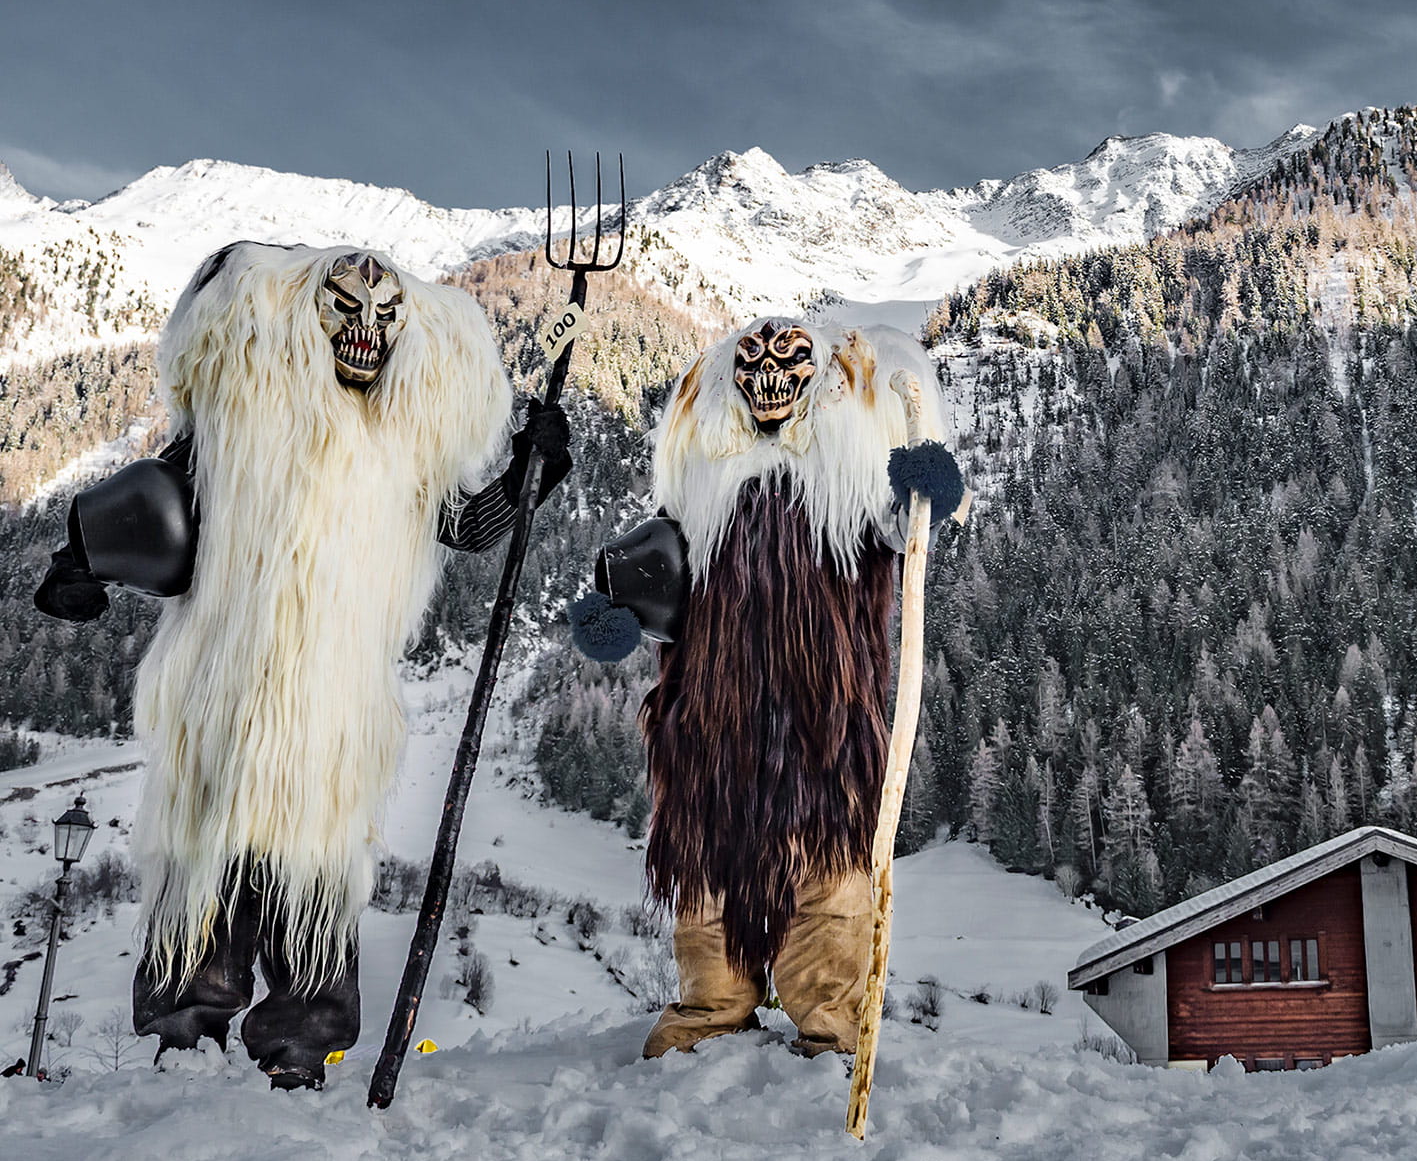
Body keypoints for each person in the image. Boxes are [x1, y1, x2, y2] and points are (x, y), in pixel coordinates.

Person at [34, 242, 572, 1087]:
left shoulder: (405, 448)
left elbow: (466, 527)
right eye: (345, 309)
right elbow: (157, 504)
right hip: (224, 684)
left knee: (315, 866)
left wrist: (531, 472)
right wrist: (80, 565)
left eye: (385, 316)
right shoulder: (243, 423)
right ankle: (182, 1033)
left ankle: (301, 1044)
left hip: (333, 703)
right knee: (207, 847)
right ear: (302, 322)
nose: (365, 331)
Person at [603, 317, 960, 1058]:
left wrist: (923, 491)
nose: (769, 378)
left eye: (791, 362)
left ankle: (829, 1022)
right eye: (753, 364)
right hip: (710, 724)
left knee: (828, 879)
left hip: (821, 722)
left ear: (820, 381)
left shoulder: (847, 492)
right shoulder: (701, 494)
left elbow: (904, 531)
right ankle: (712, 1008)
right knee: (708, 875)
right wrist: (614, 613)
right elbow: (657, 577)